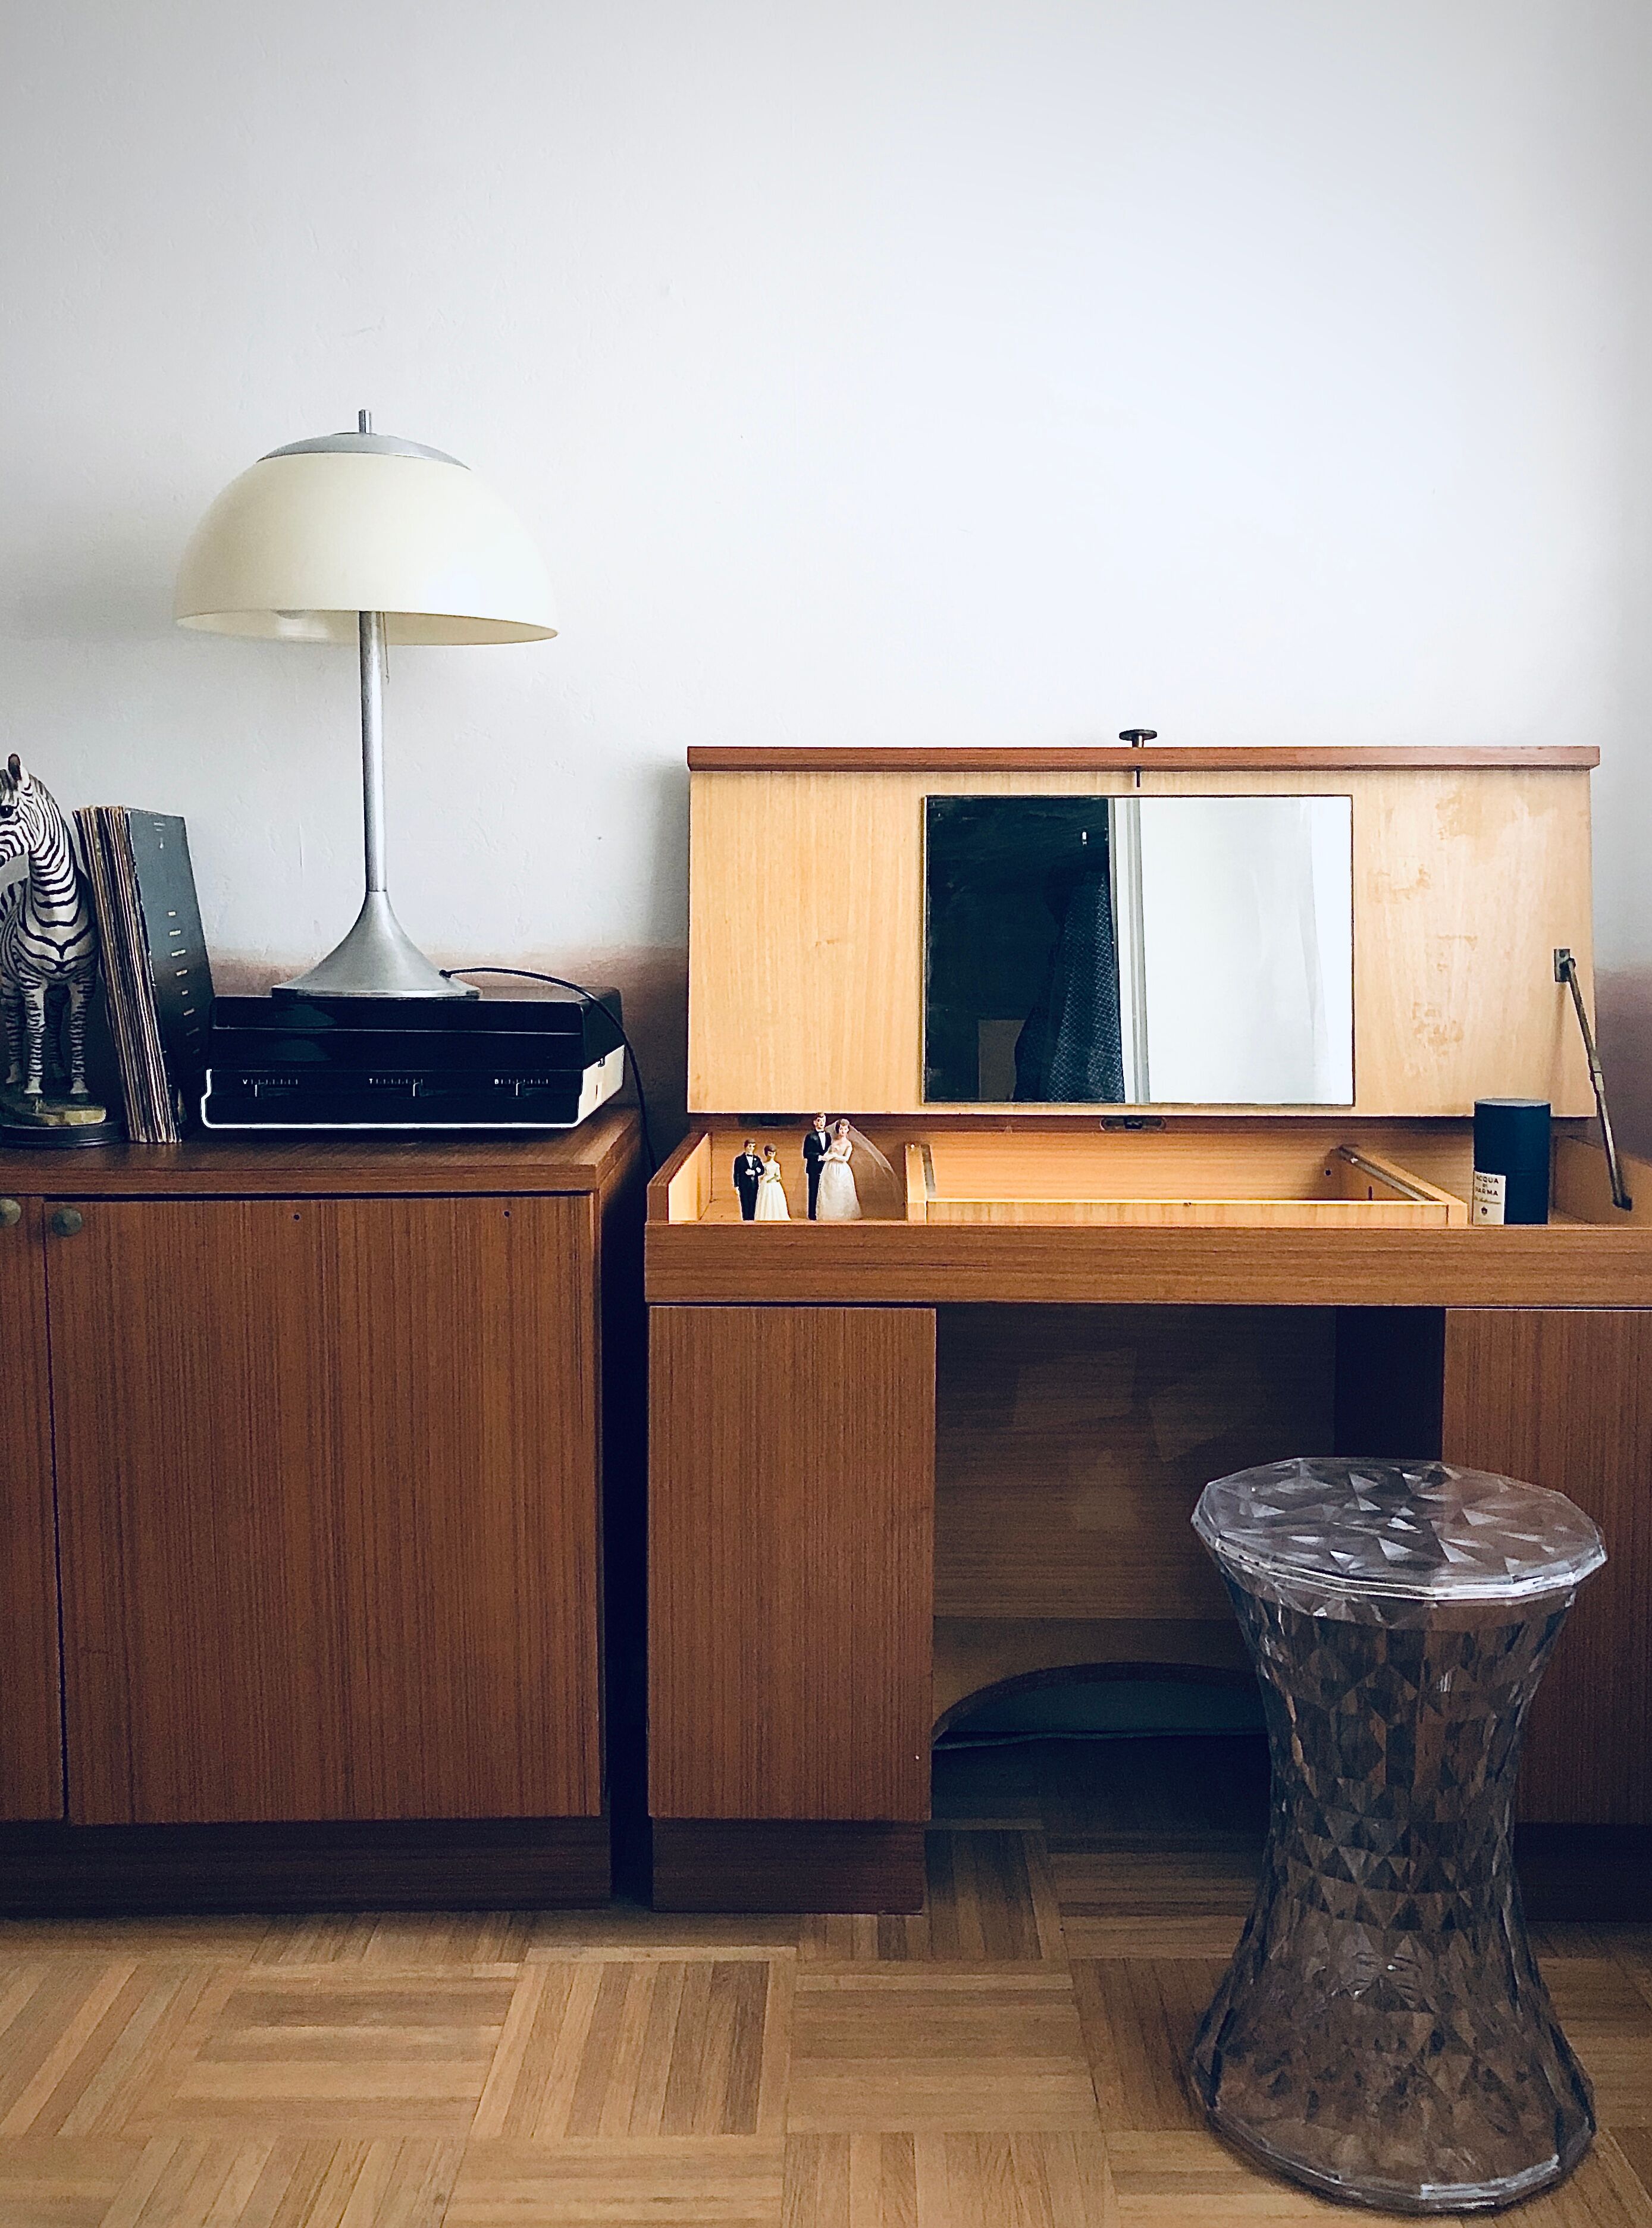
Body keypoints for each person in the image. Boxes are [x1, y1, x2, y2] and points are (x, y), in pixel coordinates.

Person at [814, 1118, 861, 1220]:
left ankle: (842, 1214)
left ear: (848, 1130)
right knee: (829, 1189)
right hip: (830, 1168)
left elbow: (845, 1159)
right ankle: (829, 1213)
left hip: (841, 1169)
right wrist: (825, 1156)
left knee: (840, 1189)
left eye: (845, 1129)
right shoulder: (834, 1141)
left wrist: (835, 1156)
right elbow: (828, 1152)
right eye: (841, 1129)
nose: (843, 1131)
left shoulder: (848, 1144)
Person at [802, 1112, 831, 1218]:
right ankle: (812, 1214)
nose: (822, 1123)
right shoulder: (810, 1136)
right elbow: (806, 1153)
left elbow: (829, 1149)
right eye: (819, 1121)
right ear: (815, 1122)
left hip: (826, 1167)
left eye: (823, 1121)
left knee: (825, 1190)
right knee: (813, 1190)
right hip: (814, 1167)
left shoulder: (828, 1136)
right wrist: (819, 1157)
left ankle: (823, 1211)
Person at [754, 1145, 791, 1220]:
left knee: (776, 1199)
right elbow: (762, 1174)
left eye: (773, 1153)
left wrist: (776, 1178)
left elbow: (778, 1176)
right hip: (766, 1183)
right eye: (770, 1153)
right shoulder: (764, 1165)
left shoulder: (777, 1165)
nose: (772, 1155)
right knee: (765, 1198)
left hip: (774, 1184)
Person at [732, 1137, 763, 1220]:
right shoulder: (739, 1160)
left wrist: (754, 1172)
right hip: (743, 1185)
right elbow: (736, 1173)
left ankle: (752, 1219)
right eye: (750, 1146)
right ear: (746, 1147)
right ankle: (746, 1219)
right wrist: (736, 1185)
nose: (751, 1148)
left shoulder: (757, 1159)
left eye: (753, 1146)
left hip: (754, 1185)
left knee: (753, 1202)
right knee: (745, 1202)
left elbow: (762, 1170)